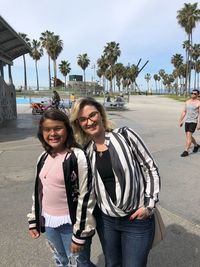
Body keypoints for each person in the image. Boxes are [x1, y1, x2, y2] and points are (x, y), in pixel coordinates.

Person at [70, 97, 161, 267]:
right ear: (79, 124)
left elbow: (151, 169)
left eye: (92, 115)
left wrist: (149, 205)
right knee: (112, 264)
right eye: (83, 119)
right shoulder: (86, 151)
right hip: (107, 222)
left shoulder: (125, 135)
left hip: (136, 219)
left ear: (101, 114)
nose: (89, 122)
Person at [27, 109, 96, 267]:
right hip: (50, 222)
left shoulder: (77, 156)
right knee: (61, 261)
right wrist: (34, 218)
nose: (53, 133)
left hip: (71, 225)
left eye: (58, 128)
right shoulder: (43, 157)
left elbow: (87, 196)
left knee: (78, 264)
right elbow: (38, 192)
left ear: (67, 129)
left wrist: (80, 233)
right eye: (47, 129)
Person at [179, 89, 200, 157]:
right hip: (187, 121)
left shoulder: (198, 103)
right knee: (189, 136)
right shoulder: (187, 102)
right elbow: (184, 111)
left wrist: (199, 123)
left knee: (188, 136)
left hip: (193, 122)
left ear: (197, 95)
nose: (193, 94)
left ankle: (186, 151)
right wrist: (181, 120)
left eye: (195, 94)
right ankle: (196, 145)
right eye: (192, 93)